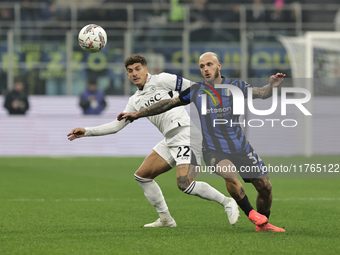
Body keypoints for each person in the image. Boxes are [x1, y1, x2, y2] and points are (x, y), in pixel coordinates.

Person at [118, 52, 286, 232]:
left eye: (209, 65)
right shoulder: (197, 90)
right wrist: (137, 114)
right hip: (213, 150)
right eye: (202, 66)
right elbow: (167, 103)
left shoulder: (236, 86)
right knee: (229, 174)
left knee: (265, 187)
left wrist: (271, 86)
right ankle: (252, 214)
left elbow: (261, 93)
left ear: (219, 65)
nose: (206, 69)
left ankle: (263, 224)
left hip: (241, 147)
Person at [68, 54, 240, 228]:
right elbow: (116, 126)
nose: (134, 73)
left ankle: (227, 202)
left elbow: (196, 89)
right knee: (142, 176)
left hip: (186, 133)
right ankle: (166, 219)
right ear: (127, 75)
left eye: (138, 69)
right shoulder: (134, 100)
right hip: (170, 139)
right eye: (130, 71)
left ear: (146, 69)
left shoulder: (163, 79)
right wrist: (87, 131)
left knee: (184, 183)